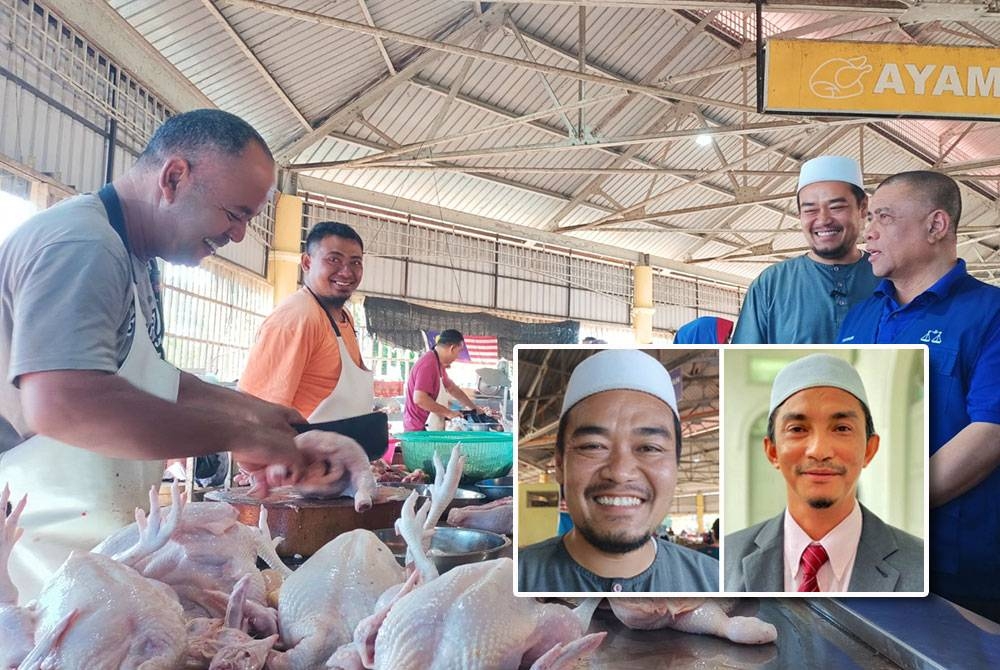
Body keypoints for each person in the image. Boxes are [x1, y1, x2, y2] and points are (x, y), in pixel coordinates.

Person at [0, 109, 339, 599]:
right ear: (174, 177)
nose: (238, 235)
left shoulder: (132, 257)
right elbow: (63, 403)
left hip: (87, 551)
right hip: (34, 555)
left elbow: (152, 377)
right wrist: (240, 434)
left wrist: (256, 412)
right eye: (235, 214)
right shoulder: (84, 244)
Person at [838, 171, 1000, 618]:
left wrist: (886, 506)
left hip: (960, 573)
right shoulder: (857, 320)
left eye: (884, 217)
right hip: (866, 563)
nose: (868, 232)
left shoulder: (990, 314)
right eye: (869, 218)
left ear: (936, 225)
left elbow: (990, 432)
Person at [518, 349, 718, 592]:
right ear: (560, 464)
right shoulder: (507, 582)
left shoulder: (716, 583)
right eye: (593, 446)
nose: (620, 472)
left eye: (649, 448)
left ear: (676, 465)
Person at [724, 354, 924, 593]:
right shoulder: (726, 561)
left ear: (869, 449)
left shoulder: (921, 567)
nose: (819, 451)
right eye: (797, 429)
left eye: (842, 428)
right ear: (772, 451)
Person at [731, 155, 879, 343]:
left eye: (836, 207)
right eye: (810, 210)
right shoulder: (771, 284)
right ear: (799, 214)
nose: (823, 219)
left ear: (863, 207)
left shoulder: (888, 277)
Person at [240, 222, 372, 421]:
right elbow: (257, 411)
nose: (346, 272)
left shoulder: (345, 316)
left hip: (339, 440)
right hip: (301, 441)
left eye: (355, 262)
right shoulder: (297, 317)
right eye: (334, 259)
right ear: (307, 263)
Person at [403, 329, 479, 431]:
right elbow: (420, 399)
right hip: (419, 429)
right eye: (459, 352)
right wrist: (448, 413)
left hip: (427, 426)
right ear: (452, 348)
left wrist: (473, 408)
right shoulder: (428, 364)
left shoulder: (437, 363)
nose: (457, 356)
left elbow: (452, 388)